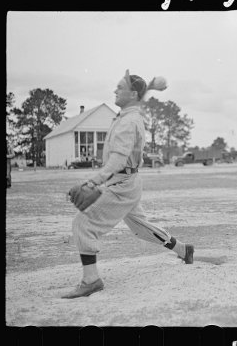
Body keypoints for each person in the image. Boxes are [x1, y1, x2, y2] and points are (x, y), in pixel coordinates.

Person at [62, 70, 194, 299]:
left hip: (121, 183)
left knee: (83, 224)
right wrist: (149, 86)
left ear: (132, 93)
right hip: (127, 181)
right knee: (140, 228)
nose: (115, 90)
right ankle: (184, 250)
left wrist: (93, 182)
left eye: (119, 87)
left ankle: (91, 280)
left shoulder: (128, 121)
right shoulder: (128, 115)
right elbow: (136, 99)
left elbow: (118, 159)